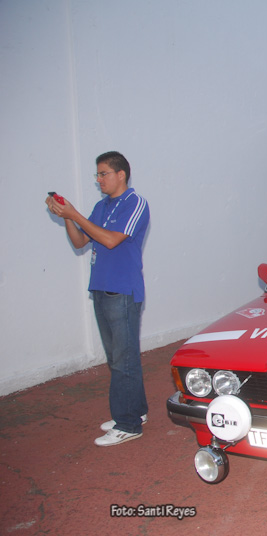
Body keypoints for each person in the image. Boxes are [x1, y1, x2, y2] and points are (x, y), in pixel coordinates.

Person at [46, 151, 150, 447]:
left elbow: (111, 239)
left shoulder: (135, 203)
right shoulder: (101, 206)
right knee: (120, 358)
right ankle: (136, 412)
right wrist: (67, 217)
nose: (99, 179)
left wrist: (75, 214)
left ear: (121, 174)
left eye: (103, 173)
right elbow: (80, 241)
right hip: (101, 289)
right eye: (97, 174)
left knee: (123, 360)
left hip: (123, 291)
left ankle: (127, 424)